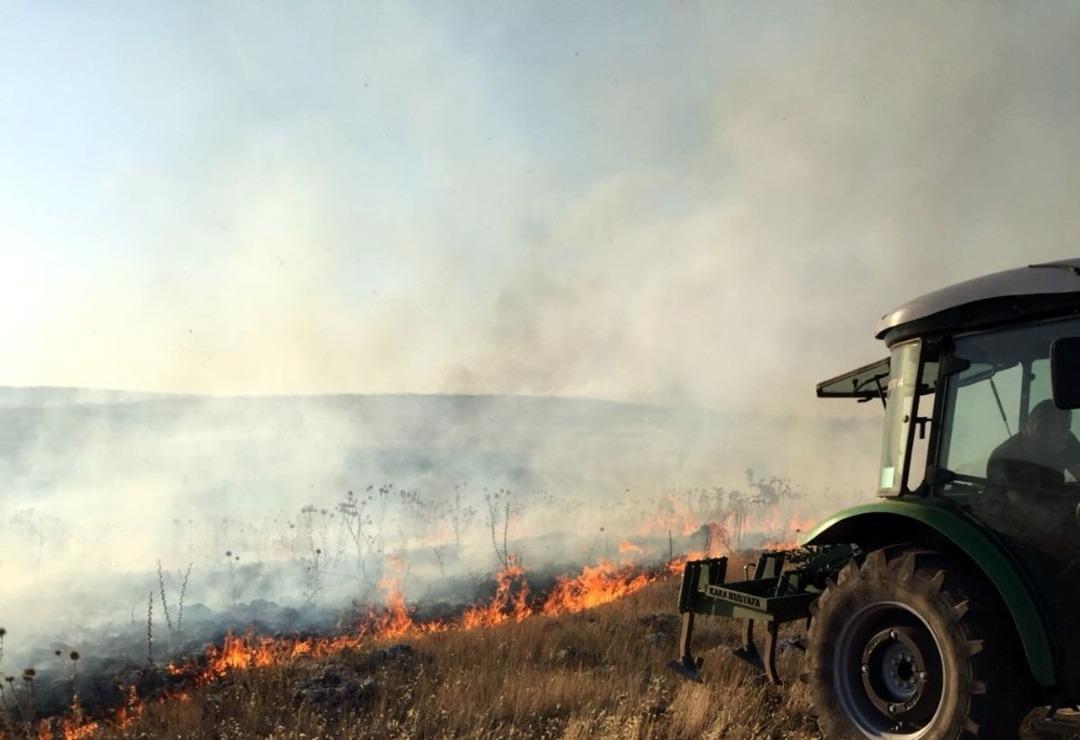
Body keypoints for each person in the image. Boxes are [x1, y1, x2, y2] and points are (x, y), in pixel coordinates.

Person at [987, 399, 1080, 492]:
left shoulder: (1067, 441)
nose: (1065, 437)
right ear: (1039, 430)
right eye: (1060, 430)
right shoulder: (1004, 459)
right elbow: (1020, 499)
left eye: (1066, 428)